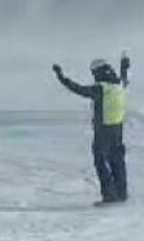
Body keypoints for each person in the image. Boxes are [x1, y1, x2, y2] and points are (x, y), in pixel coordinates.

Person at [53, 53, 131, 206]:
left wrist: (61, 77)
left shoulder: (102, 88)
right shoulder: (118, 84)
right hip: (118, 129)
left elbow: (79, 89)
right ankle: (121, 193)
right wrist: (124, 64)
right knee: (117, 162)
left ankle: (109, 195)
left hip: (103, 131)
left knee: (101, 162)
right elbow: (124, 76)